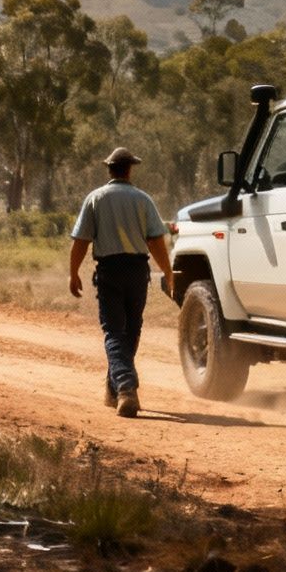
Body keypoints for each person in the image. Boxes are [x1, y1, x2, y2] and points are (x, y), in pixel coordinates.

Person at [69, 146, 174, 417]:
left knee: (115, 332)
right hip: (138, 271)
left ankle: (121, 388)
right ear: (129, 169)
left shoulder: (95, 199)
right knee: (130, 331)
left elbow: (81, 240)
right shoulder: (143, 199)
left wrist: (74, 273)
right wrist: (168, 272)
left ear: (109, 169)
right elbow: (156, 242)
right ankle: (121, 389)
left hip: (109, 271)